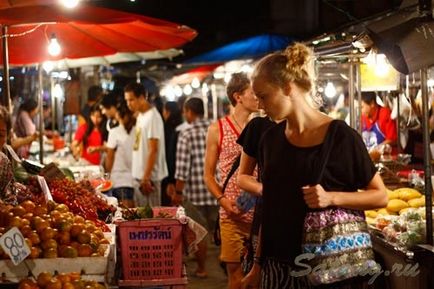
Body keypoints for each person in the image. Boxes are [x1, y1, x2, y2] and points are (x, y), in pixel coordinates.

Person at [240, 43, 388, 289]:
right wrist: (257, 265)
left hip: (327, 268)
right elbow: (269, 205)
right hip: (277, 268)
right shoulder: (270, 139)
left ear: (288, 87)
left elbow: (380, 196)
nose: (260, 105)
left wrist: (331, 198)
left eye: (264, 96)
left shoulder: (340, 136)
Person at [203, 72, 259, 289]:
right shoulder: (218, 128)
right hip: (232, 215)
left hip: (260, 215)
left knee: (258, 278)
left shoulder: (263, 126)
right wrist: (223, 200)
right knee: (235, 278)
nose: (257, 98)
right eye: (253, 93)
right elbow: (208, 175)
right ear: (238, 97)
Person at [171, 97, 217, 278]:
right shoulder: (217, 129)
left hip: (196, 194)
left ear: (189, 112)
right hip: (217, 191)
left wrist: (178, 192)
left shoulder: (187, 134)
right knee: (218, 232)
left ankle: (202, 268)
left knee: (199, 233)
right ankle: (228, 266)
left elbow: (182, 168)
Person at [124, 82, 168, 207]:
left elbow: (153, 149)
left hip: (149, 179)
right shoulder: (141, 116)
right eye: (127, 100)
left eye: (131, 100)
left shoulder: (153, 117)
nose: (128, 104)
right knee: (141, 217)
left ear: (142, 97)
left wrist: (146, 177)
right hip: (139, 176)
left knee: (151, 220)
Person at [105, 99, 136, 208]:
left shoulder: (114, 133)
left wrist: (107, 175)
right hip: (135, 181)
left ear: (118, 115)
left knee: (124, 217)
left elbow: (110, 157)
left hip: (119, 180)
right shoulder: (138, 131)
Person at [161, 101, 184, 206]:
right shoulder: (183, 127)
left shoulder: (166, 128)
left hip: (169, 174)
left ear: (167, 112)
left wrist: (170, 180)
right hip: (182, 175)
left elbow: (169, 155)